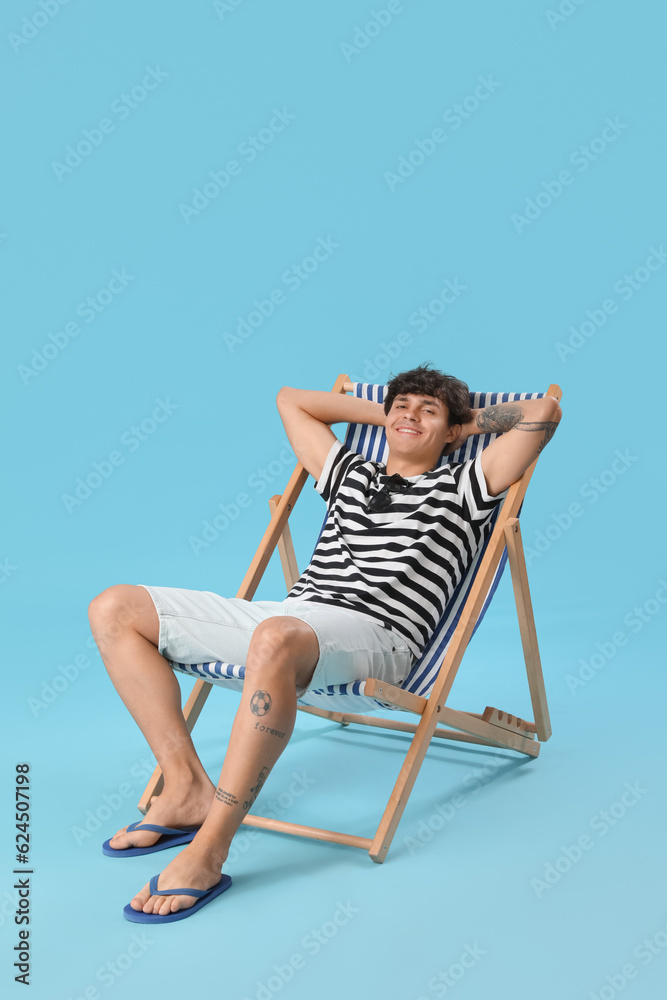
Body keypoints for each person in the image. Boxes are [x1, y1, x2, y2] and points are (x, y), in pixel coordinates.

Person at [88, 362, 561, 921]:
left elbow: (543, 412)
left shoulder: (467, 483)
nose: (409, 416)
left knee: (276, 637)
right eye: (401, 406)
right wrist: (398, 414)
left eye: (426, 411)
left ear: (453, 432)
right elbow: (292, 400)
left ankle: (210, 845)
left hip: (378, 636)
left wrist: (459, 423)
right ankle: (186, 786)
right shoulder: (349, 472)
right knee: (114, 607)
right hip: (294, 620)